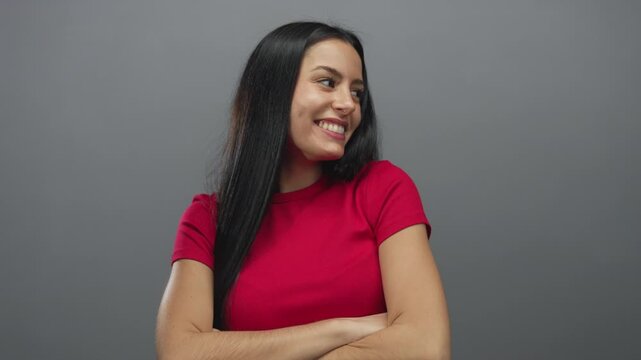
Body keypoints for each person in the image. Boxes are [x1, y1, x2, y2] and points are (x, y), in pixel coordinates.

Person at [155, 21, 450, 359]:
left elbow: (426, 347)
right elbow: (180, 353)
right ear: (271, 92)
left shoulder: (384, 189)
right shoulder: (207, 220)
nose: (349, 104)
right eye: (328, 82)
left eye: (357, 92)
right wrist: (341, 328)